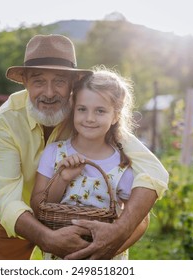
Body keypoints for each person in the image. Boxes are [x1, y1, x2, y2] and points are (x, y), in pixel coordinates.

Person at [0, 34, 168, 260]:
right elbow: (7, 198)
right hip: (17, 211)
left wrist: (115, 237)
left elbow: (153, 170)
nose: (50, 93)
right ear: (25, 82)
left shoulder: (86, 110)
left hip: (75, 215)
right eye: (39, 81)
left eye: (60, 81)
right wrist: (47, 238)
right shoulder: (6, 119)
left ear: (72, 84)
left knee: (137, 216)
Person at [30, 67, 150, 260]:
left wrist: (109, 251)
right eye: (82, 109)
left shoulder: (123, 165)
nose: (89, 118)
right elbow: (37, 207)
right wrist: (63, 178)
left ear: (116, 116)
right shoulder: (54, 152)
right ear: (73, 109)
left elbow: (140, 220)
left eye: (100, 111)